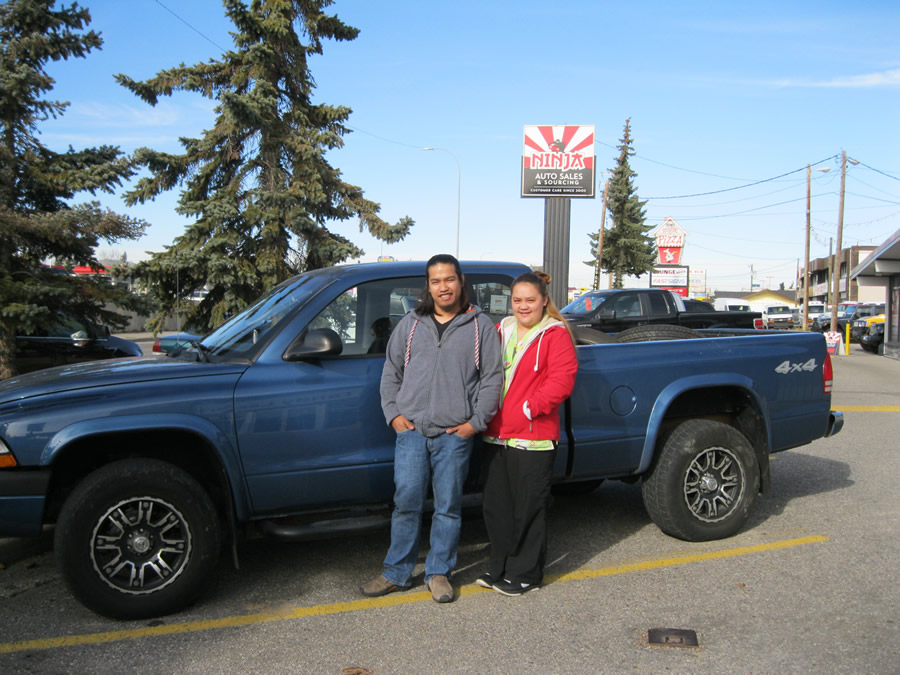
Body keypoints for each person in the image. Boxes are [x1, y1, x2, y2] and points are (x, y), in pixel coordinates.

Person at [361, 254, 502, 603]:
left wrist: (474, 423)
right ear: (428, 285)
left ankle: (439, 573)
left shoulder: (480, 326)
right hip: (411, 433)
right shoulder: (410, 324)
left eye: (449, 279)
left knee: (448, 507)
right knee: (406, 503)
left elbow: (492, 379)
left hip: (454, 435)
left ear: (461, 281)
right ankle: (397, 572)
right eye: (436, 281)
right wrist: (394, 415)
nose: (444, 287)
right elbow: (391, 372)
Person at [477, 271, 578, 596]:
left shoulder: (555, 334)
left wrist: (529, 408)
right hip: (496, 436)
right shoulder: (502, 329)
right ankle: (500, 567)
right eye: (517, 300)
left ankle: (525, 574)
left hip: (533, 438)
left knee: (528, 509)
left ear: (544, 301)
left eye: (530, 300)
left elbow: (562, 380)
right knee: (497, 508)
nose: (523, 306)